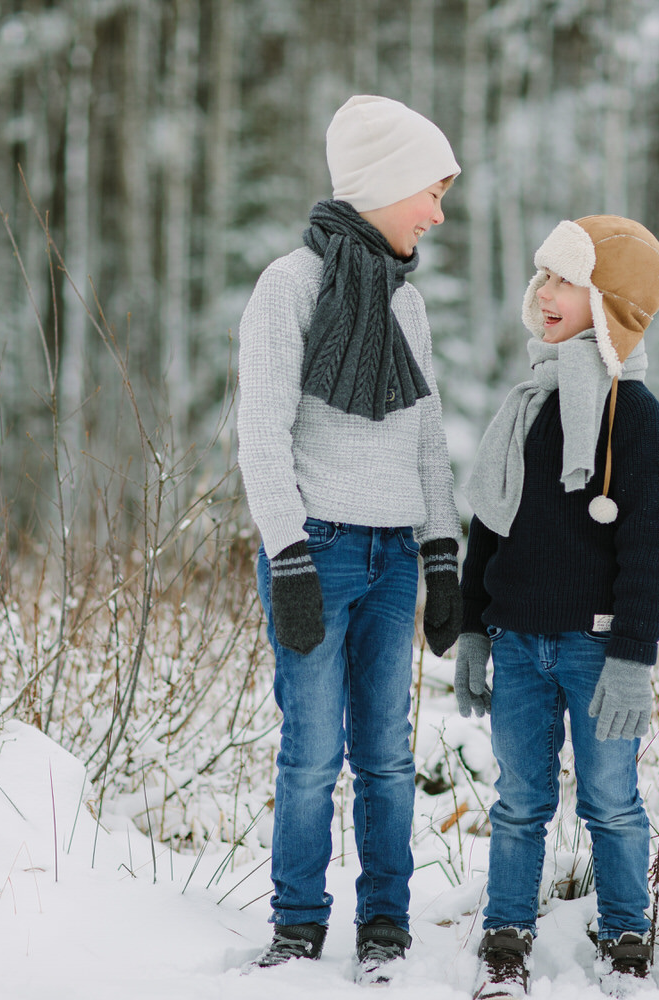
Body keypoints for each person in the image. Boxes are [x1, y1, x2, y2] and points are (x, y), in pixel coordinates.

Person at [235, 94, 464, 986]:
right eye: (431, 193)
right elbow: (261, 434)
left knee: (388, 754)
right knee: (310, 754)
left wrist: (441, 553)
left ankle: (385, 926)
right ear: (385, 187)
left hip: (394, 559)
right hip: (319, 552)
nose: (438, 214)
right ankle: (297, 926)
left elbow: (427, 438)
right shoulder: (288, 286)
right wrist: (288, 554)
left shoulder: (407, 307)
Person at [454, 216, 659, 997]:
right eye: (542, 276)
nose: (544, 293)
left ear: (610, 304)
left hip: (596, 649)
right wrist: (476, 630)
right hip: (518, 641)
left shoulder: (633, 414)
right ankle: (506, 933)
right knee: (519, 799)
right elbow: (491, 520)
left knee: (611, 802)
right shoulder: (527, 402)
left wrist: (632, 660)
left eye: (565, 281)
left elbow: (651, 548)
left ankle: (625, 936)